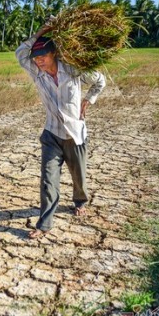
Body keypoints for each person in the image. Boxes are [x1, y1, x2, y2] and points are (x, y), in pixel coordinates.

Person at [16, 23, 106, 239]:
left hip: (75, 134)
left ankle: (80, 201)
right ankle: (44, 224)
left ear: (54, 53)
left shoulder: (73, 69)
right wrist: (41, 33)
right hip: (51, 134)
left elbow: (100, 80)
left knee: (79, 177)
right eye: (36, 57)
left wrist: (88, 99)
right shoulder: (36, 71)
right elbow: (20, 53)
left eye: (43, 56)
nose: (38, 60)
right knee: (48, 180)